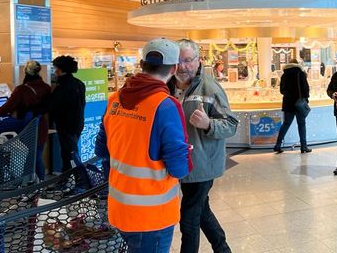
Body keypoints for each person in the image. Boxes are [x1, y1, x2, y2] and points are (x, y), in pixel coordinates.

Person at [95, 38, 193, 253]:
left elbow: (101, 150)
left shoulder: (115, 99)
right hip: (152, 214)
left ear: (141, 64)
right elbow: (178, 168)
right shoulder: (165, 105)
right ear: (174, 68)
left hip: (119, 206)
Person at [168, 39, 238, 253]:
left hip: (201, 165)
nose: (183, 66)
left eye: (188, 60)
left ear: (198, 60)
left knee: (189, 220)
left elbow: (231, 124)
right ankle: (222, 248)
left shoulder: (210, 88)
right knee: (201, 210)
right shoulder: (167, 86)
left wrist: (208, 124)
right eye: (178, 61)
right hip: (179, 163)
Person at [0, 60, 51, 180]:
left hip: (26, 126)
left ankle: (29, 186)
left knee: (28, 158)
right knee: (37, 156)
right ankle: (41, 183)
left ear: (25, 71)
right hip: (41, 125)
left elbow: (6, 108)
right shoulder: (47, 87)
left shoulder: (21, 90)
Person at [48, 55, 86, 173]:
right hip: (78, 122)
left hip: (66, 125)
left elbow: (55, 107)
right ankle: (74, 177)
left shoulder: (62, 87)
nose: (54, 71)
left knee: (68, 153)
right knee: (72, 151)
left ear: (61, 69)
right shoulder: (79, 83)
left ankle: (73, 178)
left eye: (55, 68)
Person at [274, 58, 312, 153]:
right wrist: (306, 99)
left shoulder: (284, 75)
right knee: (301, 124)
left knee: (286, 124)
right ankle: (303, 147)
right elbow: (305, 88)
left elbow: (281, 90)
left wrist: (288, 95)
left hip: (288, 103)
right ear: (297, 64)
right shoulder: (301, 73)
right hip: (299, 103)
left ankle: (278, 145)